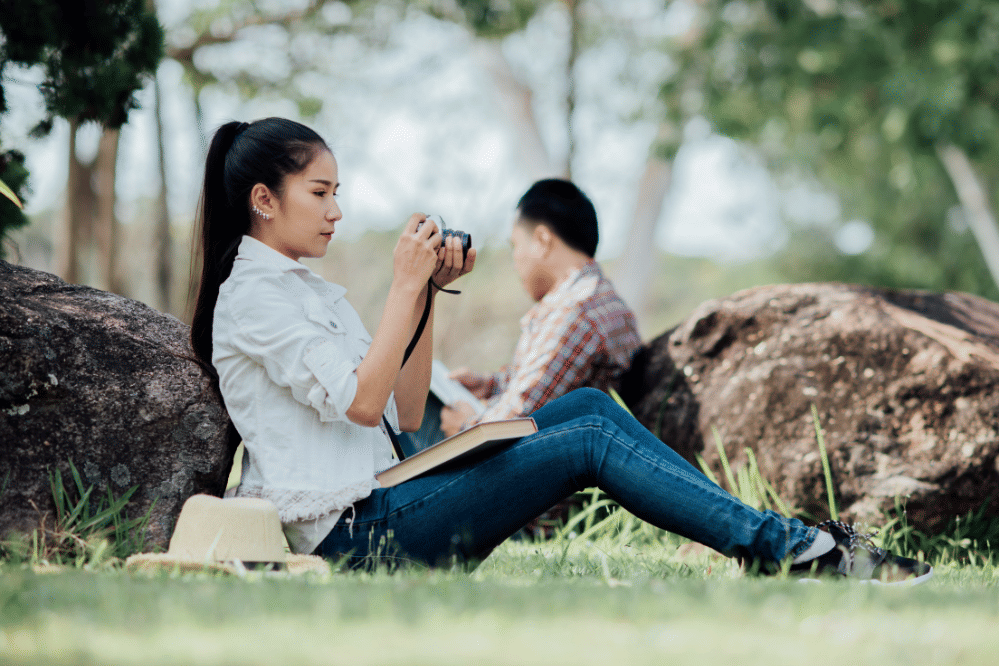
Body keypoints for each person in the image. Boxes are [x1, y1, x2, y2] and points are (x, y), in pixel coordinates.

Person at [190, 116, 932, 584]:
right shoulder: (253, 296)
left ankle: (785, 547)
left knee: (584, 411)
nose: (337, 210)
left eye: (337, 192)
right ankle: (792, 551)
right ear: (264, 199)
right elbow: (358, 404)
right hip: (352, 541)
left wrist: (423, 298)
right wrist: (398, 286)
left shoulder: (309, 292)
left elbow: (403, 405)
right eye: (321, 193)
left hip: (387, 505)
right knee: (587, 431)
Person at [437, 179, 641, 440]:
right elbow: (552, 380)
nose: (514, 262)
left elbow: (517, 421)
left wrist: (465, 425)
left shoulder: (576, 312)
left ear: (542, 240)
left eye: (515, 246)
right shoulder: (596, 297)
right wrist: (489, 384)